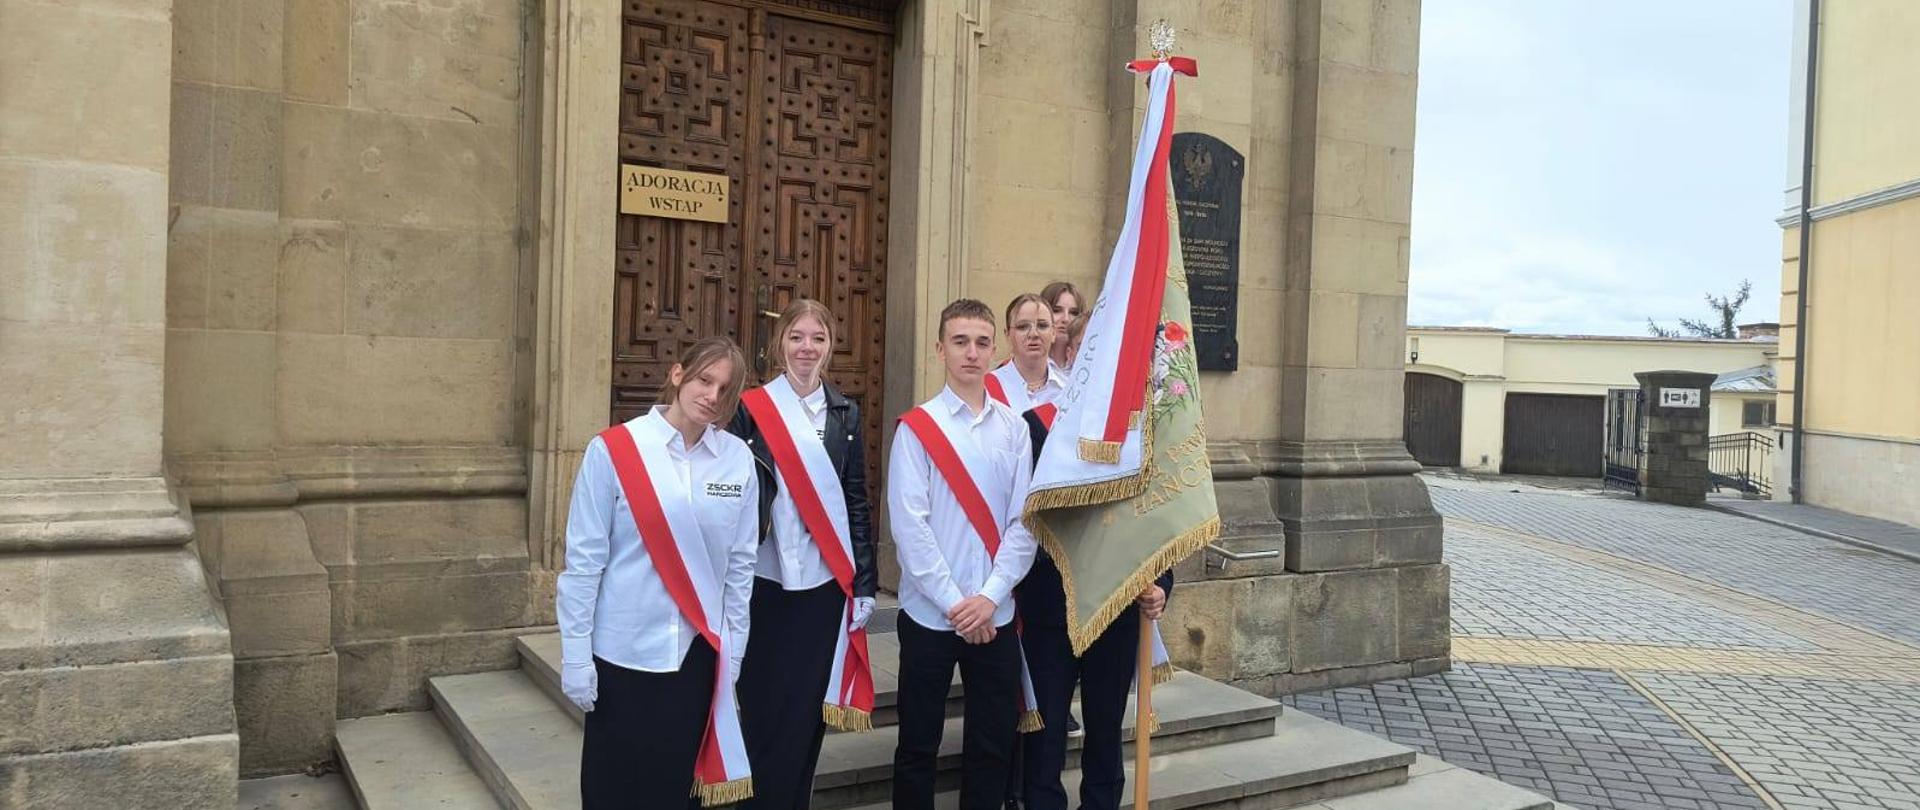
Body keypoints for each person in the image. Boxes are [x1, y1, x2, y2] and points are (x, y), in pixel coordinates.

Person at [556, 337, 760, 808]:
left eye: (725, 389)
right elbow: (585, 562)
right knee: (614, 790)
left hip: (696, 655)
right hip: (622, 652)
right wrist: (575, 655)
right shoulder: (613, 450)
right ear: (676, 374)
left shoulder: (737, 460)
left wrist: (735, 651)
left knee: (675, 791)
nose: (712, 395)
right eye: (704, 380)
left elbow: (740, 567)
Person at [889, 298, 1041, 810]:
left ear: (993, 348)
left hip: (994, 613)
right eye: (960, 342)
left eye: (980, 342)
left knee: (992, 745)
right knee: (918, 744)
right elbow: (911, 529)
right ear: (940, 350)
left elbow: (1025, 523)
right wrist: (959, 603)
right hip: (932, 614)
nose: (971, 353)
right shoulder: (916, 430)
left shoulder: (1014, 428)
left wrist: (990, 596)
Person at [729, 299, 879, 808]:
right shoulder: (750, 409)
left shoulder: (846, 411)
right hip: (765, 582)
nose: (806, 348)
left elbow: (856, 499)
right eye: (797, 337)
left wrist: (863, 582)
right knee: (761, 701)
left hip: (822, 585)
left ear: (829, 345)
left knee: (804, 709)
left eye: (817, 338)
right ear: (780, 345)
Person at [1015, 399, 1172, 810]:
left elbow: (1158, 518)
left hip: (1116, 605)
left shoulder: (1141, 433)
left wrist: (1161, 585)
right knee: (1045, 732)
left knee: (1105, 728)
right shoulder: (1037, 425)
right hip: (1050, 604)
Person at [986, 293, 1066, 415]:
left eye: (1042, 325)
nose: (1033, 334)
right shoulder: (985, 388)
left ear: (1053, 333)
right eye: (1022, 327)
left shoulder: (1068, 389)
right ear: (1008, 335)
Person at [1039, 281, 1085, 371]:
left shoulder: (1090, 365)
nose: (1066, 319)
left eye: (1073, 313)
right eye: (1056, 310)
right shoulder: (1024, 365)